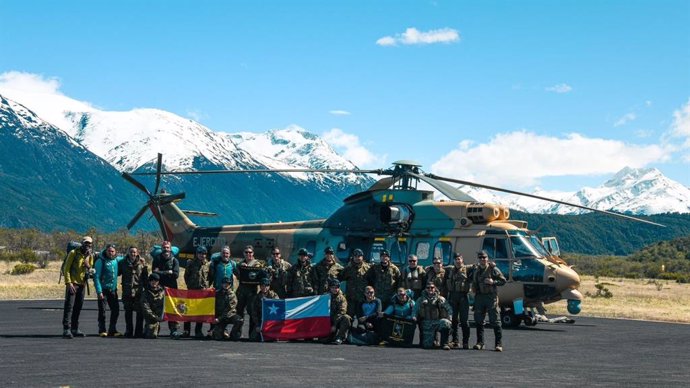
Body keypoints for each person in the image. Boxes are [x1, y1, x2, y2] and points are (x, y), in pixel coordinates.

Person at [471, 250, 507, 352]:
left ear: (487, 258)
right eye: (480, 258)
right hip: (479, 297)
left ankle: (498, 344)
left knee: (495, 320)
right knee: (478, 320)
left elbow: (503, 280)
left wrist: (493, 282)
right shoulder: (476, 270)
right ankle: (480, 343)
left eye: (484, 257)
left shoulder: (493, 269)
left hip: (491, 297)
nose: (482, 259)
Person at [61, 236, 95, 339]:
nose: (87, 246)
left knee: (78, 307)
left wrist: (88, 266)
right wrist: (69, 283)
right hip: (73, 283)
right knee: (69, 306)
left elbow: (90, 269)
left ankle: (75, 328)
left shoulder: (90, 256)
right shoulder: (73, 253)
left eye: (89, 244)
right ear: (82, 243)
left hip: (82, 284)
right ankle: (66, 329)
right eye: (86, 243)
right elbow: (66, 269)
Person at [233, 245, 265, 339]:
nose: (248, 254)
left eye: (250, 252)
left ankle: (252, 334)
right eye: (246, 252)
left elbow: (260, 275)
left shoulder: (257, 264)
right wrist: (240, 267)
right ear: (243, 253)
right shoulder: (240, 264)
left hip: (252, 291)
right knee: (239, 312)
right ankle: (237, 333)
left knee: (252, 312)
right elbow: (235, 273)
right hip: (241, 290)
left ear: (253, 253)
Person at [151, 241, 182, 338]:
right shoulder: (157, 259)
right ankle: (155, 329)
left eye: (167, 247)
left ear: (170, 248)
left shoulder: (174, 260)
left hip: (172, 290)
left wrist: (161, 272)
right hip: (159, 289)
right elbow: (154, 274)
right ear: (161, 248)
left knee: (173, 309)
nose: (166, 249)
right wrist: (168, 272)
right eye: (164, 247)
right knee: (157, 309)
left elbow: (176, 275)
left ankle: (174, 330)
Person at [94, 244, 125, 337]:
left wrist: (140, 259)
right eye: (109, 251)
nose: (111, 253)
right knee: (102, 310)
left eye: (112, 251)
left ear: (115, 252)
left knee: (115, 310)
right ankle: (102, 329)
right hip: (103, 290)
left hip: (113, 290)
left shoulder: (116, 260)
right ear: (106, 251)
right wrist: (99, 291)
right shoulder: (100, 261)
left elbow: (127, 257)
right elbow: (96, 277)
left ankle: (112, 329)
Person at [183, 246, 212, 338]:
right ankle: (186, 331)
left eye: (204, 253)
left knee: (200, 312)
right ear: (197, 254)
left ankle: (198, 331)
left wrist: (207, 286)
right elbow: (186, 276)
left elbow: (210, 277)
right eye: (200, 253)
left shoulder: (208, 264)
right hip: (192, 290)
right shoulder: (190, 263)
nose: (202, 255)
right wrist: (190, 285)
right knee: (188, 311)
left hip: (202, 291)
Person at [414, 282, 453, 350]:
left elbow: (449, 309)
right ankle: (433, 340)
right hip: (427, 323)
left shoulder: (441, 299)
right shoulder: (420, 299)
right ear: (425, 289)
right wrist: (414, 316)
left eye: (432, 287)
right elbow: (415, 310)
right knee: (427, 346)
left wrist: (450, 316)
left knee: (446, 322)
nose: (430, 289)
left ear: (435, 289)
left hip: (438, 321)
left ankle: (444, 343)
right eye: (428, 288)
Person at [120, 246, 148, 338]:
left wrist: (146, 290)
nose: (133, 254)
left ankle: (138, 332)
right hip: (127, 291)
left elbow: (145, 278)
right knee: (128, 312)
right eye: (131, 252)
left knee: (140, 313)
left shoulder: (142, 263)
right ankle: (129, 331)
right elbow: (117, 273)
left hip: (138, 291)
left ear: (137, 253)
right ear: (128, 253)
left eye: (135, 252)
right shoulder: (123, 263)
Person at [446, 252, 473, 349]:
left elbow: (478, 266)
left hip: (463, 297)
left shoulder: (468, 268)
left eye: (459, 259)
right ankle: (455, 341)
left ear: (462, 259)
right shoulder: (450, 269)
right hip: (453, 297)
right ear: (454, 260)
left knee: (464, 321)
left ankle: (465, 342)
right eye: (456, 259)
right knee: (453, 320)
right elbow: (438, 268)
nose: (458, 261)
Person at [338, 248, 371, 317]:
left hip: (363, 299)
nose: (357, 258)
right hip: (350, 299)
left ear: (362, 257)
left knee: (362, 318)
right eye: (355, 256)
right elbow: (340, 278)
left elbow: (372, 282)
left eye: (359, 256)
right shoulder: (348, 268)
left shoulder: (368, 268)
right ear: (353, 257)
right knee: (349, 317)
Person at [249, 277, 279, 341]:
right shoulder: (256, 298)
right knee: (253, 338)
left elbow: (279, 307)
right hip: (261, 322)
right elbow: (254, 313)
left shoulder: (274, 296)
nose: (264, 288)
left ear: (269, 286)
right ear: (260, 286)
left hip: (272, 322)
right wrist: (257, 325)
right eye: (262, 286)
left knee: (273, 338)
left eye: (266, 286)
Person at [328, 279, 352, 345]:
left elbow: (342, 311)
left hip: (337, 319)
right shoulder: (325, 297)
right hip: (327, 319)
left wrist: (334, 325)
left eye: (336, 288)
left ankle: (340, 337)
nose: (334, 289)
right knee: (325, 339)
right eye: (333, 288)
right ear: (330, 288)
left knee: (346, 318)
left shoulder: (342, 298)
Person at [141, 273, 165, 339]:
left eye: (156, 281)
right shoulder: (145, 292)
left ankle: (173, 331)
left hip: (161, 314)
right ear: (149, 281)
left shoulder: (163, 291)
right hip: (151, 317)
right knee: (151, 335)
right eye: (152, 280)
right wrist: (155, 317)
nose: (154, 282)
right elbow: (146, 308)